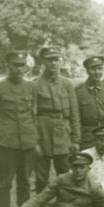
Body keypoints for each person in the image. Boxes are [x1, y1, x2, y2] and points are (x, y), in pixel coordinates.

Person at [0, 50, 38, 207]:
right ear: (8, 66)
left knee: (24, 181)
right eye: (15, 65)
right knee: (5, 182)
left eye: (22, 65)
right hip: (6, 143)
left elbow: (33, 115)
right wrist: (5, 132)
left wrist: (30, 135)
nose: (18, 69)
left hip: (27, 142)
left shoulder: (31, 87)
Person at [34, 46, 80, 194]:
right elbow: (31, 116)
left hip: (63, 135)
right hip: (43, 135)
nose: (53, 63)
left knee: (65, 175)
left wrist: (76, 140)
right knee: (41, 177)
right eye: (49, 60)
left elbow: (74, 114)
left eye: (56, 59)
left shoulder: (67, 84)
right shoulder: (35, 85)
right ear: (43, 62)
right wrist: (35, 142)